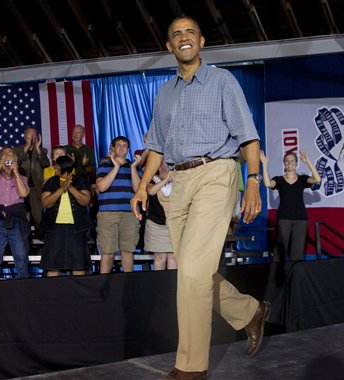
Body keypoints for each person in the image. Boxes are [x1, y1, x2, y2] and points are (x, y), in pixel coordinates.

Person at [130, 16, 270, 380]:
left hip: (216, 172)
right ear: (169, 46)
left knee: (191, 272)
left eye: (189, 32)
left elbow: (248, 137)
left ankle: (191, 366)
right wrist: (143, 186)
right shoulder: (164, 92)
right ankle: (249, 312)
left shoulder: (223, 81)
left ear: (202, 41)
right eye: (175, 33)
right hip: (178, 181)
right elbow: (156, 146)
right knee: (196, 272)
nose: (183, 37)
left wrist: (252, 180)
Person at [260, 150, 321, 261]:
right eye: (287, 161)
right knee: (280, 252)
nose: (290, 163)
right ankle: (277, 277)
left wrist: (308, 163)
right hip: (284, 219)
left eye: (292, 161)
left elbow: (317, 179)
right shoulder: (279, 180)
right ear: (284, 163)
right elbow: (268, 183)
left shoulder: (303, 179)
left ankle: (295, 277)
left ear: (296, 163)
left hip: (300, 220)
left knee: (297, 254)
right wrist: (264, 164)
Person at [40, 156, 93, 277]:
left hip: (76, 228)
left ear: (63, 167)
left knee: (78, 265)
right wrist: (61, 189)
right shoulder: (51, 181)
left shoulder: (80, 180)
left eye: (57, 166)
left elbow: (86, 201)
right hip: (54, 228)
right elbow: (45, 203)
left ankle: (79, 294)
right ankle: (52, 294)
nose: (55, 168)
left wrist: (70, 187)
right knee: (52, 265)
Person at [96, 136, 141, 273]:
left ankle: (128, 286)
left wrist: (133, 168)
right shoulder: (104, 165)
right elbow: (101, 187)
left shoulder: (134, 167)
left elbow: (138, 189)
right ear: (113, 148)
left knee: (127, 251)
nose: (121, 148)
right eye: (118, 145)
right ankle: (104, 287)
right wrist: (115, 167)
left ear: (128, 149)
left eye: (124, 145)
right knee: (107, 251)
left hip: (130, 213)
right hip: (107, 214)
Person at [0, 147, 30, 280]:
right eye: (5, 155)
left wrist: (15, 173)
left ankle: (23, 289)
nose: (8, 159)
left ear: (15, 159)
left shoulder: (21, 178)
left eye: (11, 156)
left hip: (16, 220)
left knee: (21, 257)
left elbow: (24, 194)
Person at [15, 127, 50, 238]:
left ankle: (40, 237)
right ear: (25, 136)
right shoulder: (18, 150)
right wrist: (26, 148)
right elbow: (16, 162)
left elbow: (46, 164)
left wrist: (38, 149)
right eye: (30, 136)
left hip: (36, 187)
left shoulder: (42, 150)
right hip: (21, 186)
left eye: (34, 136)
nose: (32, 138)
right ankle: (25, 239)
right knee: (23, 215)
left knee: (38, 215)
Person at [144, 161, 177, 270]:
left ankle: (172, 285)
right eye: (161, 165)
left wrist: (172, 178)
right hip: (156, 224)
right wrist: (167, 179)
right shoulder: (151, 179)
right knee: (160, 257)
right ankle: (159, 285)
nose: (164, 167)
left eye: (167, 165)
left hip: (174, 225)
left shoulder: (178, 181)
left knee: (173, 257)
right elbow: (151, 191)